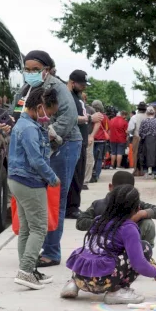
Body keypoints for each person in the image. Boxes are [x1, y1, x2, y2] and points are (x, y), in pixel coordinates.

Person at [22, 51, 82, 269]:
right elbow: (19, 110)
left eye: (35, 69)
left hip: (64, 146)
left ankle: (52, 252)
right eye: (27, 69)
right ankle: (43, 247)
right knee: (42, 199)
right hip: (45, 148)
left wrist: (48, 135)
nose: (30, 73)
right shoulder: (29, 88)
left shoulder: (56, 86)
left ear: (47, 69)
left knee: (56, 198)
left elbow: (70, 117)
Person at [63, 185, 156, 304]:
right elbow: (138, 263)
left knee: (92, 251)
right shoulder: (128, 228)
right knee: (144, 247)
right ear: (137, 208)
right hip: (101, 281)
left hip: (81, 278)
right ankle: (117, 291)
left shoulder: (99, 220)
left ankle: (72, 284)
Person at [8, 86, 61, 290]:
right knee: (39, 228)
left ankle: (28, 270)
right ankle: (26, 270)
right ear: (40, 107)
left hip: (17, 180)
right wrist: (52, 177)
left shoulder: (24, 124)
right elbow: (36, 160)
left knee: (26, 229)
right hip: (29, 181)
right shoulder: (29, 128)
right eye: (49, 112)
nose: (49, 117)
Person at [74, 170, 156, 250]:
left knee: (148, 223)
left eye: (126, 192)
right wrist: (106, 223)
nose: (121, 195)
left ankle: (143, 254)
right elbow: (80, 222)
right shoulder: (99, 205)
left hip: (129, 244)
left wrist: (141, 214)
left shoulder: (134, 203)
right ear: (110, 187)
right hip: (106, 246)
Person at [64, 70, 92, 219]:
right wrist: (88, 118)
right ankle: (70, 207)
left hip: (81, 140)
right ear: (72, 82)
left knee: (79, 175)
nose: (84, 87)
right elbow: (68, 117)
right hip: (72, 140)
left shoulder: (77, 96)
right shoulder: (66, 96)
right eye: (82, 84)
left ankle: (74, 205)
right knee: (73, 175)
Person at [89, 100, 110, 183]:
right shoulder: (104, 117)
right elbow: (107, 128)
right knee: (99, 158)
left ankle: (89, 174)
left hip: (91, 138)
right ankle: (96, 174)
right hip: (101, 140)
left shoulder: (91, 116)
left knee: (91, 157)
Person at [138, 105, 156, 177]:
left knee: (145, 154)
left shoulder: (144, 121)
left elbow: (140, 132)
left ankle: (146, 170)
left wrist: (144, 136)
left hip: (146, 140)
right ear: (154, 113)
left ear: (147, 113)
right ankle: (155, 171)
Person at [127, 102, 149, 177]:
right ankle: (144, 170)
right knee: (146, 153)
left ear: (138, 109)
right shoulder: (148, 117)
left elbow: (130, 129)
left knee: (136, 154)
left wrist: (133, 133)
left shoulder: (134, 117)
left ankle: (136, 170)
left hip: (137, 137)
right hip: (147, 138)